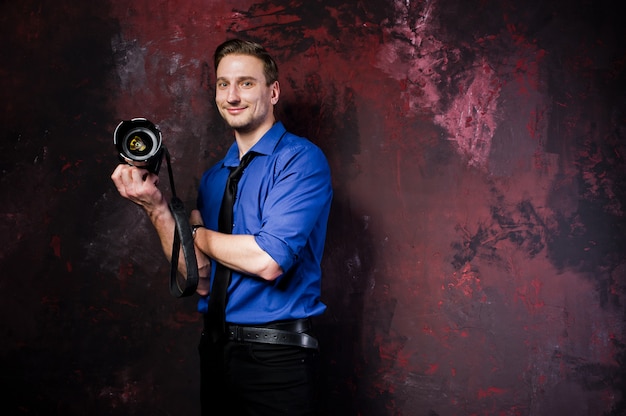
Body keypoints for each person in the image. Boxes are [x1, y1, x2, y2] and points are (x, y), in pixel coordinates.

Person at [110, 38, 333, 415]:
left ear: (273, 91)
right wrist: (158, 209)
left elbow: (267, 259)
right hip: (215, 352)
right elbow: (197, 278)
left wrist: (196, 234)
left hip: (276, 357)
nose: (232, 95)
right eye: (223, 84)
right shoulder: (214, 178)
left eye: (246, 83)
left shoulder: (300, 160)